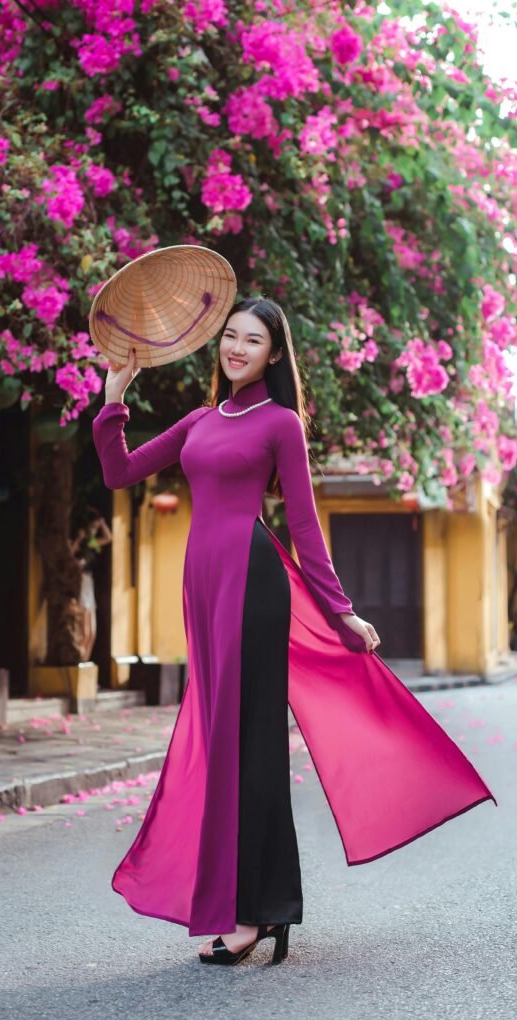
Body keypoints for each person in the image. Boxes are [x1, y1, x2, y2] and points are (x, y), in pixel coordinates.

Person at [93, 296, 496, 967]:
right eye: (229, 337)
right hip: (204, 588)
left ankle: (253, 912)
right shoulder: (199, 419)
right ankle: (264, 905)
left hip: (251, 585)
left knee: (247, 750)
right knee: (226, 746)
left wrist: (341, 611)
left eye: (252, 341)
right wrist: (113, 397)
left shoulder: (280, 423)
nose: (236, 349)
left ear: (273, 356)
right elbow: (118, 472)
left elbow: (304, 526)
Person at [69, 511, 112, 663]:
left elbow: (108, 538)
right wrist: (79, 539)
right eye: (92, 527)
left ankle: (85, 661)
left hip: (89, 582)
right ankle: (79, 661)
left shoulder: (92, 543)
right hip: (80, 582)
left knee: (92, 632)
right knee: (84, 631)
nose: (94, 531)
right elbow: (70, 555)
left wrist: (102, 523)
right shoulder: (80, 543)